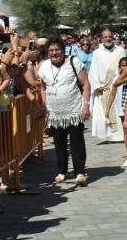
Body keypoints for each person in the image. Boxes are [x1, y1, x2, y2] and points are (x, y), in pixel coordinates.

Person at [38, 39, 91, 186]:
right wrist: (44, 105)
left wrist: (86, 106)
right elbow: (43, 88)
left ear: (63, 50)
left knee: (76, 141)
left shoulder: (73, 62)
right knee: (59, 143)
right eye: (51, 50)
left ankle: (80, 172)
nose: (54, 53)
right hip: (55, 113)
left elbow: (86, 84)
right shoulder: (44, 66)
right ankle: (62, 171)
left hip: (74, 110)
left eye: (57, 50)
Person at [88, 27, 124, 141]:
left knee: (118, 110)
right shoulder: (97, 53)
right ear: (101, 39)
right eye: (106, 37)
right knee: (104, 112)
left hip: (118, 86)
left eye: (110, 37)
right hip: (104, 87)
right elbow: (93, 70)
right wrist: (97, 85)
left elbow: (124, 67)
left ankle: (119, 135)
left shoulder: (120, 51)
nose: (108, 39)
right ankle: (108, 135)